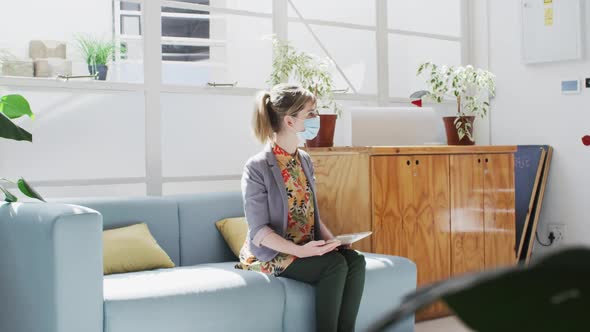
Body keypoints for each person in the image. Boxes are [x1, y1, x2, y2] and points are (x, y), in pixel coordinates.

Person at [235, 83, 366, 332]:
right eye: (310, 113)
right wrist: (300, 251)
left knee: (354, 260)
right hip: (272, 254)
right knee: (334, 266)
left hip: (306, 246)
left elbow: (311, 214)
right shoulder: (257, 167)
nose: (316, 118)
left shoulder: (304, 159)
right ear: (290, 121)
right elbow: (259, 231)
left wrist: (333, 241)